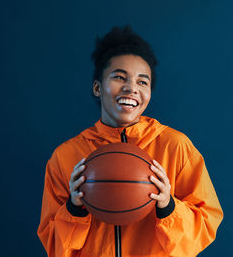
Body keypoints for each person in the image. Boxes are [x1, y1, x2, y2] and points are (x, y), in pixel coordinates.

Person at [37, 25, 223, 257]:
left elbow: (205, 226)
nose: (131, 88)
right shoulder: (65, 157)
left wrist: (168, 206)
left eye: (142, 82)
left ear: (149, 94)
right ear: (97, 88)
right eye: (119, 77)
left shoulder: (175, 146)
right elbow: (54, 247)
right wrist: (74, 209)